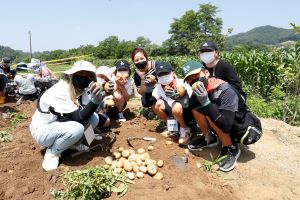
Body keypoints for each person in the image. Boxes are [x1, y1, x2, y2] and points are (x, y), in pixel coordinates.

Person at [181, 61, 262, 172]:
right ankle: (209, 138)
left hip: (240, 124)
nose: (193, 81)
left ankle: (230, 148)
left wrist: (206, 103)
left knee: (210, 111)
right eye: (189, 79)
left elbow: (226, 125)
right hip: (223, 119)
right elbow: (189, 119)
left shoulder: (225, 90)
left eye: (195, 75)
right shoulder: (199, 92)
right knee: (196, 109)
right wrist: (184, 102)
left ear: (206, 73)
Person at [29, 60, 104, 171]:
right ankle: (53, 153)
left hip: (61, 124)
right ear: (72, 75)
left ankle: (75, 143)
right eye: (81, 74)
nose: (84, 77)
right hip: (44, 130)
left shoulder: (82, 91)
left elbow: (90, 111)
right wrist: (95, 101)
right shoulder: (60, 90)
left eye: (88, 75)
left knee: (94, 118)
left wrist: (101, 97)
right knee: (76, 128)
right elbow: (79, 118)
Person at [142, 61, 194, 145]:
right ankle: (173, 127)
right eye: (160, 75)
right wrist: (148, 90)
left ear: (173, 73)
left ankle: (185, 129)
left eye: (166, 73)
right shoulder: (159, 87)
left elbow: (192, 102)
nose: (163, 76)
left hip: (186, 114)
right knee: (156, 104)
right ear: (157, 77)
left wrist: (179, 98)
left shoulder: (182, 83)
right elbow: (148, 103)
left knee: (176, 106)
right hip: (173, 113)